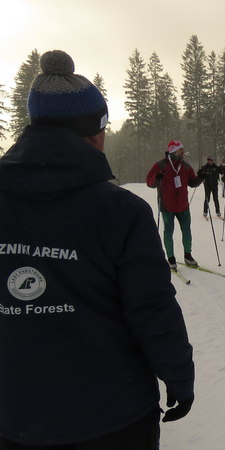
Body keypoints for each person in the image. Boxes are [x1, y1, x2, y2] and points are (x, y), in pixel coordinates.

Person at [0, 49, 194, 449]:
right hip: (111, 416)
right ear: (93, 131)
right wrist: (177, 374)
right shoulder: (120, 211)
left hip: (15, 415)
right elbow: (151, 307)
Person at [146, 140, 205, 269]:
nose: (183, 152)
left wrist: (201, 177)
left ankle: (188, 255)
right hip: (167, 205)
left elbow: (192, 183)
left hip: (183, 205)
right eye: (180, 150)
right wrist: (156, 178)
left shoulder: (186, 166)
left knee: (187, 231)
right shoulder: (160, 165)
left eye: (182, 149)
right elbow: (149, 183)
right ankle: (171, 258)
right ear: (173, 151)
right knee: (168, 231)